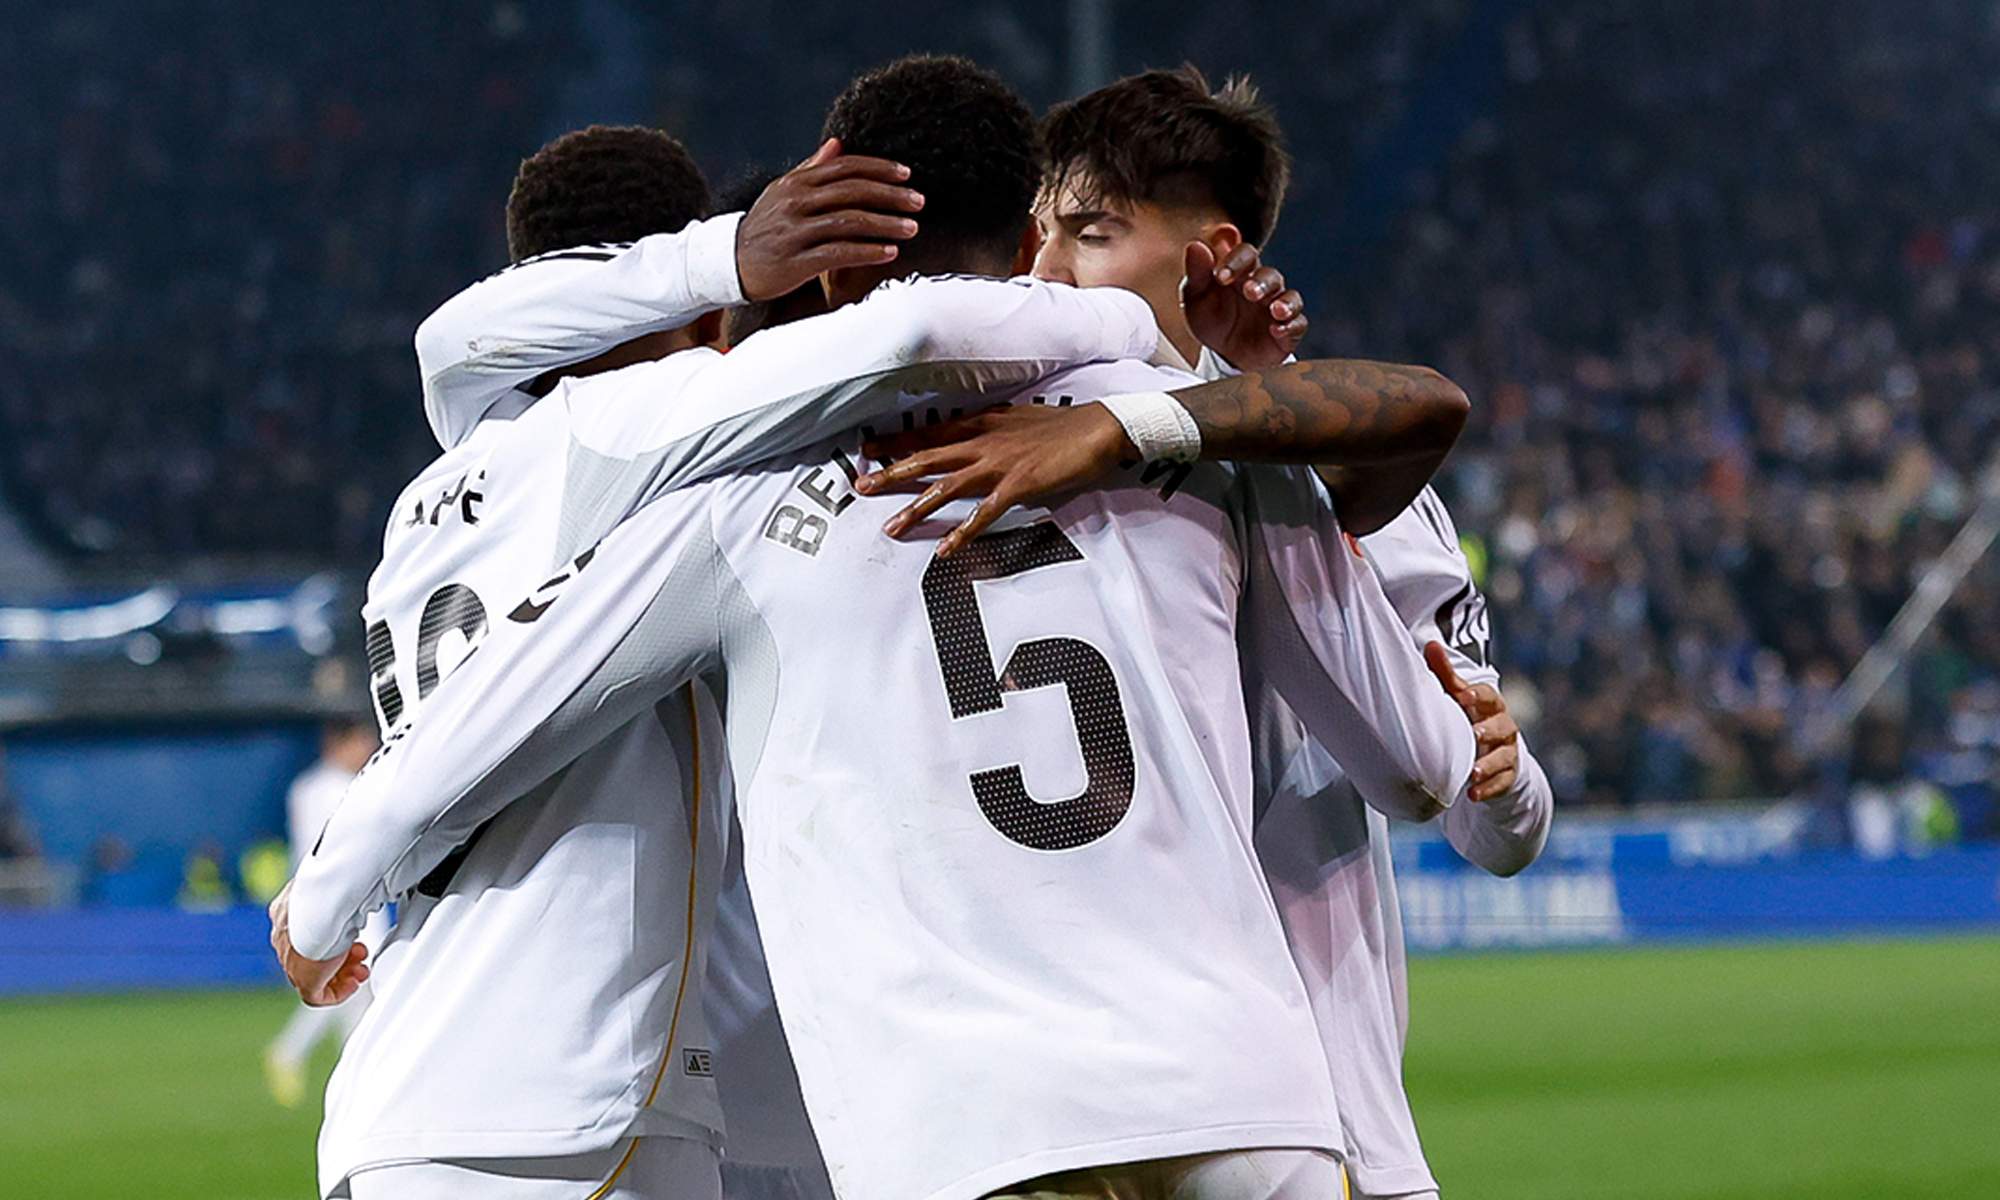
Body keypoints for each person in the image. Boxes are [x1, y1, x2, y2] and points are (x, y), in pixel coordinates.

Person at [276, 54, 1480, 1200]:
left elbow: (480, 720)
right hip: (1245, 1095)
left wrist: (323, 893)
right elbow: (1427, 767)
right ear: (1027, 244)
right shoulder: (1210, 425)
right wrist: (1147, 358)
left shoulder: (729, 504)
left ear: (826, 272)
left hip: (957, 1123)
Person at [292, 119, 1166, 1200]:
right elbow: (911, 335)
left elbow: (451, 346)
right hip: (577, 1103)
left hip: (403, 1097)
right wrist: (1149, 326)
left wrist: (325, 892)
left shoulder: (428, 500)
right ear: (700, 317)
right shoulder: (638, 431)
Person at [1028, 66, 1554, 1200]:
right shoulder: (1007, 454)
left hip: (1310, 1098)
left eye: (1091, 231)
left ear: (1206, 253)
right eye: (1038, 230)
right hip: (1079, 1110)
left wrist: (1501, 780)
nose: (1048, 267)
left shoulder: (1357, 474)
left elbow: (1480, 812)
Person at [263, 716, 380, 1108]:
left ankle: (353, 1082)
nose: (367, 749)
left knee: (348, 995)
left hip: (314, 899)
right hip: (350, 901)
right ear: (340, 743)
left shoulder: (306, 787)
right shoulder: (346, 788)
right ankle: (294, 1053)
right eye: (362, 741)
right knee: (350, 986)